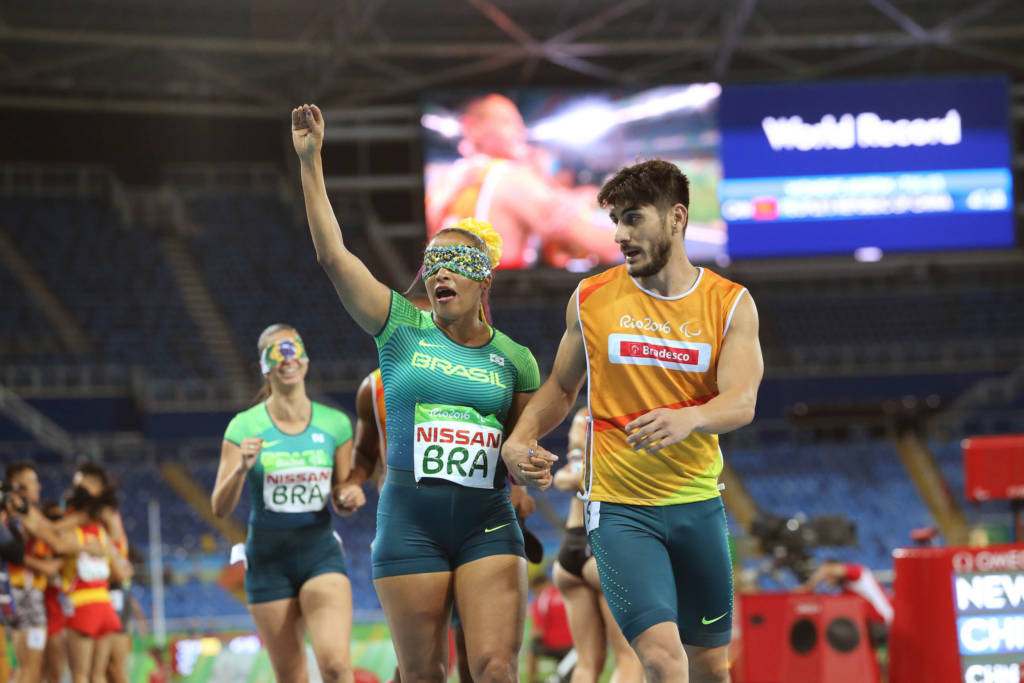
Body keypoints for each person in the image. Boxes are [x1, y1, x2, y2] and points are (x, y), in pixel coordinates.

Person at [292, 102, 555, 683]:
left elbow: (522, 442)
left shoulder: (515, 359)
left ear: (483, 277)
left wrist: (528, 463)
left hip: (488, 522)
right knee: (425, 674)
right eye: (432, 262)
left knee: (493, 668)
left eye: (456, 262)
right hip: (410, 525)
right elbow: (333, 257)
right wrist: (311, 161)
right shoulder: (399, 328)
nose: (440, 272)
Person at [503, 159, 764, 683]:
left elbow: (741, 401)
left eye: (634, 219)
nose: (620, 235)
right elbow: (560, 387)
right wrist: (521, 438)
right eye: (616, 221)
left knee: (712, 667)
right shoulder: (592, 298)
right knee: (664, 661)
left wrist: (690, 419)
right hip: (621, 511)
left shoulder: (730, 304)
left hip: (697, 507)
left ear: (676, 218)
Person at [211, 324, 356, 683]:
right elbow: (219, 507)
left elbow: (342, 496)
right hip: (267, 564)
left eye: (293, 349)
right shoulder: (244, 426)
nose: (287, 358)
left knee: (336, 667)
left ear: (305, 358)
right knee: (292, 677)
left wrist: (348, 497)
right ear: (263, 365)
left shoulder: (335, 423)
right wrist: (241, 470)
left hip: (320, 555)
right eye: (276, 352)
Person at [425, 93, 621, 269]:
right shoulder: (511, 177)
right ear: (472, 126)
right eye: (508, 122)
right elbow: (605, 246)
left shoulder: (448, 179)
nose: (521, 133)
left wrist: (583, 197)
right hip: (502, 300)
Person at [551, 409, 642, 683]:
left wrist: (577, 472)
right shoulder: (628, 417)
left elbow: (565, 477)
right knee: (630, 659)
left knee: (587, 663)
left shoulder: (584, 425)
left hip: (570, 549)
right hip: (605, 545)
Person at [61, 463, 131, 683]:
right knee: (102, 670)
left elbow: (119, 552)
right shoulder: (82, 513)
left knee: (114, 666)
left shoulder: (105, 514)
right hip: (96, 589)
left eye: (83, 484)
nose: (78, 488)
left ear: (97, 487)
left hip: (109, 589)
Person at [795, 560, 894, 633]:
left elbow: (827, 569)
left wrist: (807, 587)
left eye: (826, 577)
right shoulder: (845, 589)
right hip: (873, 624)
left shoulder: (857, 573)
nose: (825, 579)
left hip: (882, 622)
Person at [527, 571, 573, 683]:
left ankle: (533, 680)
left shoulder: (542, 599)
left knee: (531, 648)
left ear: (538, 587)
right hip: (573, 646)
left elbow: (538, 632)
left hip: (554, 646)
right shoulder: (565, 594)